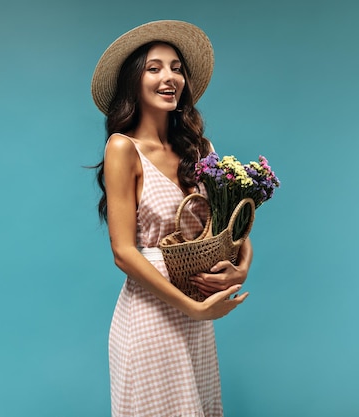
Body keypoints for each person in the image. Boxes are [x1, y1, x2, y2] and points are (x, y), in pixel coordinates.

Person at [91, 20, 253, 417]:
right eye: (155, 68)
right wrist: (192, 307)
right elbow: (124, 252)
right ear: (134, 82)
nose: (170, 78)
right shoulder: (122, 148)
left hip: (197, 317)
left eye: (177, 68)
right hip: (151, 316)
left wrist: (242, 268)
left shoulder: (201, 148)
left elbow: (231, 222)